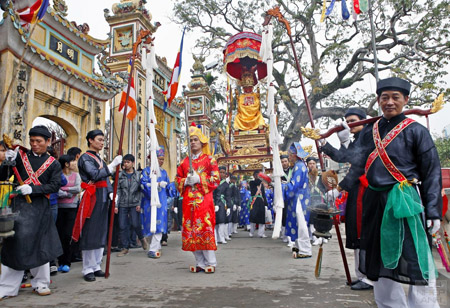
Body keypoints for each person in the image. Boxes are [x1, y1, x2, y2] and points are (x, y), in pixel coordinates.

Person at [339, 77, 442, 307]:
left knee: (415, 259)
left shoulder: (416, 131)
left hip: (405, 202)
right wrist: (345, 142)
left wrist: (433, 211)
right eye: (384, 97)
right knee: (380, 261)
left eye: (396, 97)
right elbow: (352, 161)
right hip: (375, 202)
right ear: (378, 100)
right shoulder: (369, 132)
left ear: (406, 99)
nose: (389, 102)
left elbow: (432, 172)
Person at [0, 125, 62, 298]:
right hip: (19, 207)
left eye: (39, 141)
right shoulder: (20, 158)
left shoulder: (54, 164)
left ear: (48, 142)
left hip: (40, 207)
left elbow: (55, 185)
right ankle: (7, 286)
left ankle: (41, 283)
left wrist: (33, 189)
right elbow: (3, 176)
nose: (34, 144)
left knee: (40, 245)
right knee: (15, 245)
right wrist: (7, 161)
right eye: (32, 141)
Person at [319, 108, 372, 291]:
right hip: (358, 191)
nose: (350, 124)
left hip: (366, 190)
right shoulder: (358, 138)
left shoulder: (369, 135)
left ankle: (369, 276)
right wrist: (325, 143)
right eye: (347, 121)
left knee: (363, 233)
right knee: (357, 232)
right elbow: (344, 157)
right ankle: (362, 274)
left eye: (353, 121)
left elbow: (357, 167)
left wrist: (339, 189)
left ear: (363, 121)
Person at [72, 129, 122, 282]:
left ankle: (96, 265)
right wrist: (111, 166)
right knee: (90, 232)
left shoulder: (98, 158)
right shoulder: (86, 158)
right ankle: (87, 267)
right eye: (99, 139)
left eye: (103, 139)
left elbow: (105, 179)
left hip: (102, 197)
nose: (102, 142)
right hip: (92, 197)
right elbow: (95, 175)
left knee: (101, 230)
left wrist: (110, 192)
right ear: (90, 140)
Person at [175, 123, 220, 273]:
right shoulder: (184, 162)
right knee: (191, 230)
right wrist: (185, 181)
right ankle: (199, 262)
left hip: (204, 202)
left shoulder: (210, 160)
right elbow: (177, 179)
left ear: (201, 142)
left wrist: (200, 179)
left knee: (204, 228)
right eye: (191, 140)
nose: (193, 142)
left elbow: (216, 179)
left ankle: (211, 262)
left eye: (195, 139)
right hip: (188, 202)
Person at [282, 142, 312, 259]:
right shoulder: (299, 166)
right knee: (299, 223)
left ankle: (305, 250)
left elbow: (294, 186)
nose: (288, 157)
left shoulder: (299, 167)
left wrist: (282, 186)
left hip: (300, 199)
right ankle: (300, 247)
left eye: (289, 155)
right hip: (299, 199)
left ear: (294, 155)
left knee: (301, 224)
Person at [115, 154, 147, 257]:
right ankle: (125, 247)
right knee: (122, 225)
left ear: (133, 163)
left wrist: (139, 203)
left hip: (134, 203)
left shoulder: (138, 175)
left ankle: (141, 238)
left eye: (128, 162)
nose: (126, 164)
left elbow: (141, 190)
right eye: (124, 162)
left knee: (135, 223)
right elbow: (118, 190)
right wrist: (116, 204)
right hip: (123, 203)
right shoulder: (120, 175)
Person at [141, 147, 170, 258]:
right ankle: (153, 247)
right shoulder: (146, 171)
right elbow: (143, 185)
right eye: (159, 159)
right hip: (150, 202)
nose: (161, 161)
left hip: (161, 202)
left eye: (163, 159)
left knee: (160, 224)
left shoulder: (164, 172)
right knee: (151, 223)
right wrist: (157, 184)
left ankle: (154, 248)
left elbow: (168, 187)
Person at [56, 154, 81, 273]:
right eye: (72, 161)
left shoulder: (76, 175)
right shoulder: (58, 175)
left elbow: (78, 189)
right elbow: (56, 190)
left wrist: (64, 190)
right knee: (59, 235)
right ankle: (60, 261)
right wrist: (68, 193)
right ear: (66, 164)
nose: (74, 163)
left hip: (72, 208)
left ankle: (67, 261)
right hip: (59, 207)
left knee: (68, 235)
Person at [213, 166, 232, 244]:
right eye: (220, 172)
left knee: (221, 221)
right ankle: (215, 239)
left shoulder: (226, 184)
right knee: (215, 222)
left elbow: (228, 196)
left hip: (222, 203)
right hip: (213, 202)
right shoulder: (213, 182)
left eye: (224, 173)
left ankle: (222, 238)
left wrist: (229, 207)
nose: (222, 174)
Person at [249, 171, 269, 238]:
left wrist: (265, 204)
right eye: (257, 175)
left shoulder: (262, 184)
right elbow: (256, 182)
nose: (258, 177)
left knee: (261, 217)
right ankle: (251, 232)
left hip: (261, 201)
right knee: (253, 217)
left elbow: (263, 195)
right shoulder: (252, 183)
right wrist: (261, 180)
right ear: (254, 176)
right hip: (254, 201)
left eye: (259, 175)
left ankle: (261, 233)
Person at [280, 154, 292, 243]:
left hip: (292, 196)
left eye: (285, 161)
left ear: (288, 161)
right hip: (283, 198)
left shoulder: (293, 171)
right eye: (282, 162)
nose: (284, 163)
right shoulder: (279, 173)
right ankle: (284, 235)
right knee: (284, 216)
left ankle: (292, 236)